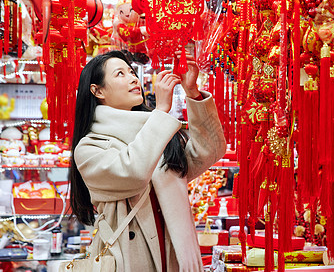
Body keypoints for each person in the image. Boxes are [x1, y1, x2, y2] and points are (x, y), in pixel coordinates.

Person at [69, 50, 226, 272]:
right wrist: (161, 111)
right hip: (128, 259)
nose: (133, 78)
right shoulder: (90, 147)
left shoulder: (157, 131)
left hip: (176, 254)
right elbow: (134, 173)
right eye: (120, 74)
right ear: (98, 90)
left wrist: (192, 94)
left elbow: (209, 151)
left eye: (132, 72)